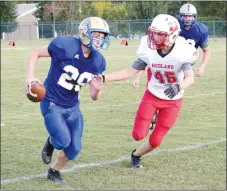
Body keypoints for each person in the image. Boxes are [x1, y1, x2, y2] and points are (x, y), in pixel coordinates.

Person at [99, 14, 199, 168]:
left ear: (172, 35)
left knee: (155, 141)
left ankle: (136, 155)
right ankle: (151, 119)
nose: (154, 37)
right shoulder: (148, 48)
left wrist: (179, 86)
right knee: (137, 134)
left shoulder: (182, 51)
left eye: (160, 34)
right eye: (153, 33)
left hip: (173, 101)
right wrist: (104, 78)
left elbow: (190, 78)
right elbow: (128, 71)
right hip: (152, 95)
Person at [25, 17, 110, 183]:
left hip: (73, 107)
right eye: (96, 35)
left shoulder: (98, 61)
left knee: (75, 148)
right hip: (52, 102)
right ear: (85, 33)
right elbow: (35, 53)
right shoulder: (65, 45)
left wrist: (97, 90)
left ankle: (54, 171)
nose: (100, 39)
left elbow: (94, 97)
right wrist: (29, 77)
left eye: (103, 36)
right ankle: (51, 142)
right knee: (62, 140)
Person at [132, 3, 210, 132]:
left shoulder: (201, 30)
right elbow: (147, 58)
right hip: (164, 61)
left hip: (182, 64)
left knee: (175, 90)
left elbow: (207, 50)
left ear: (195, 17)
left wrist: (203, 66)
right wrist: (138, 76)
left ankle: (163, 115)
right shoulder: (171, 27)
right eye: (185, 16)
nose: (188, 19)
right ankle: (151, 117)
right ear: (180, 17)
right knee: (154, 85)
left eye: (190, 16)